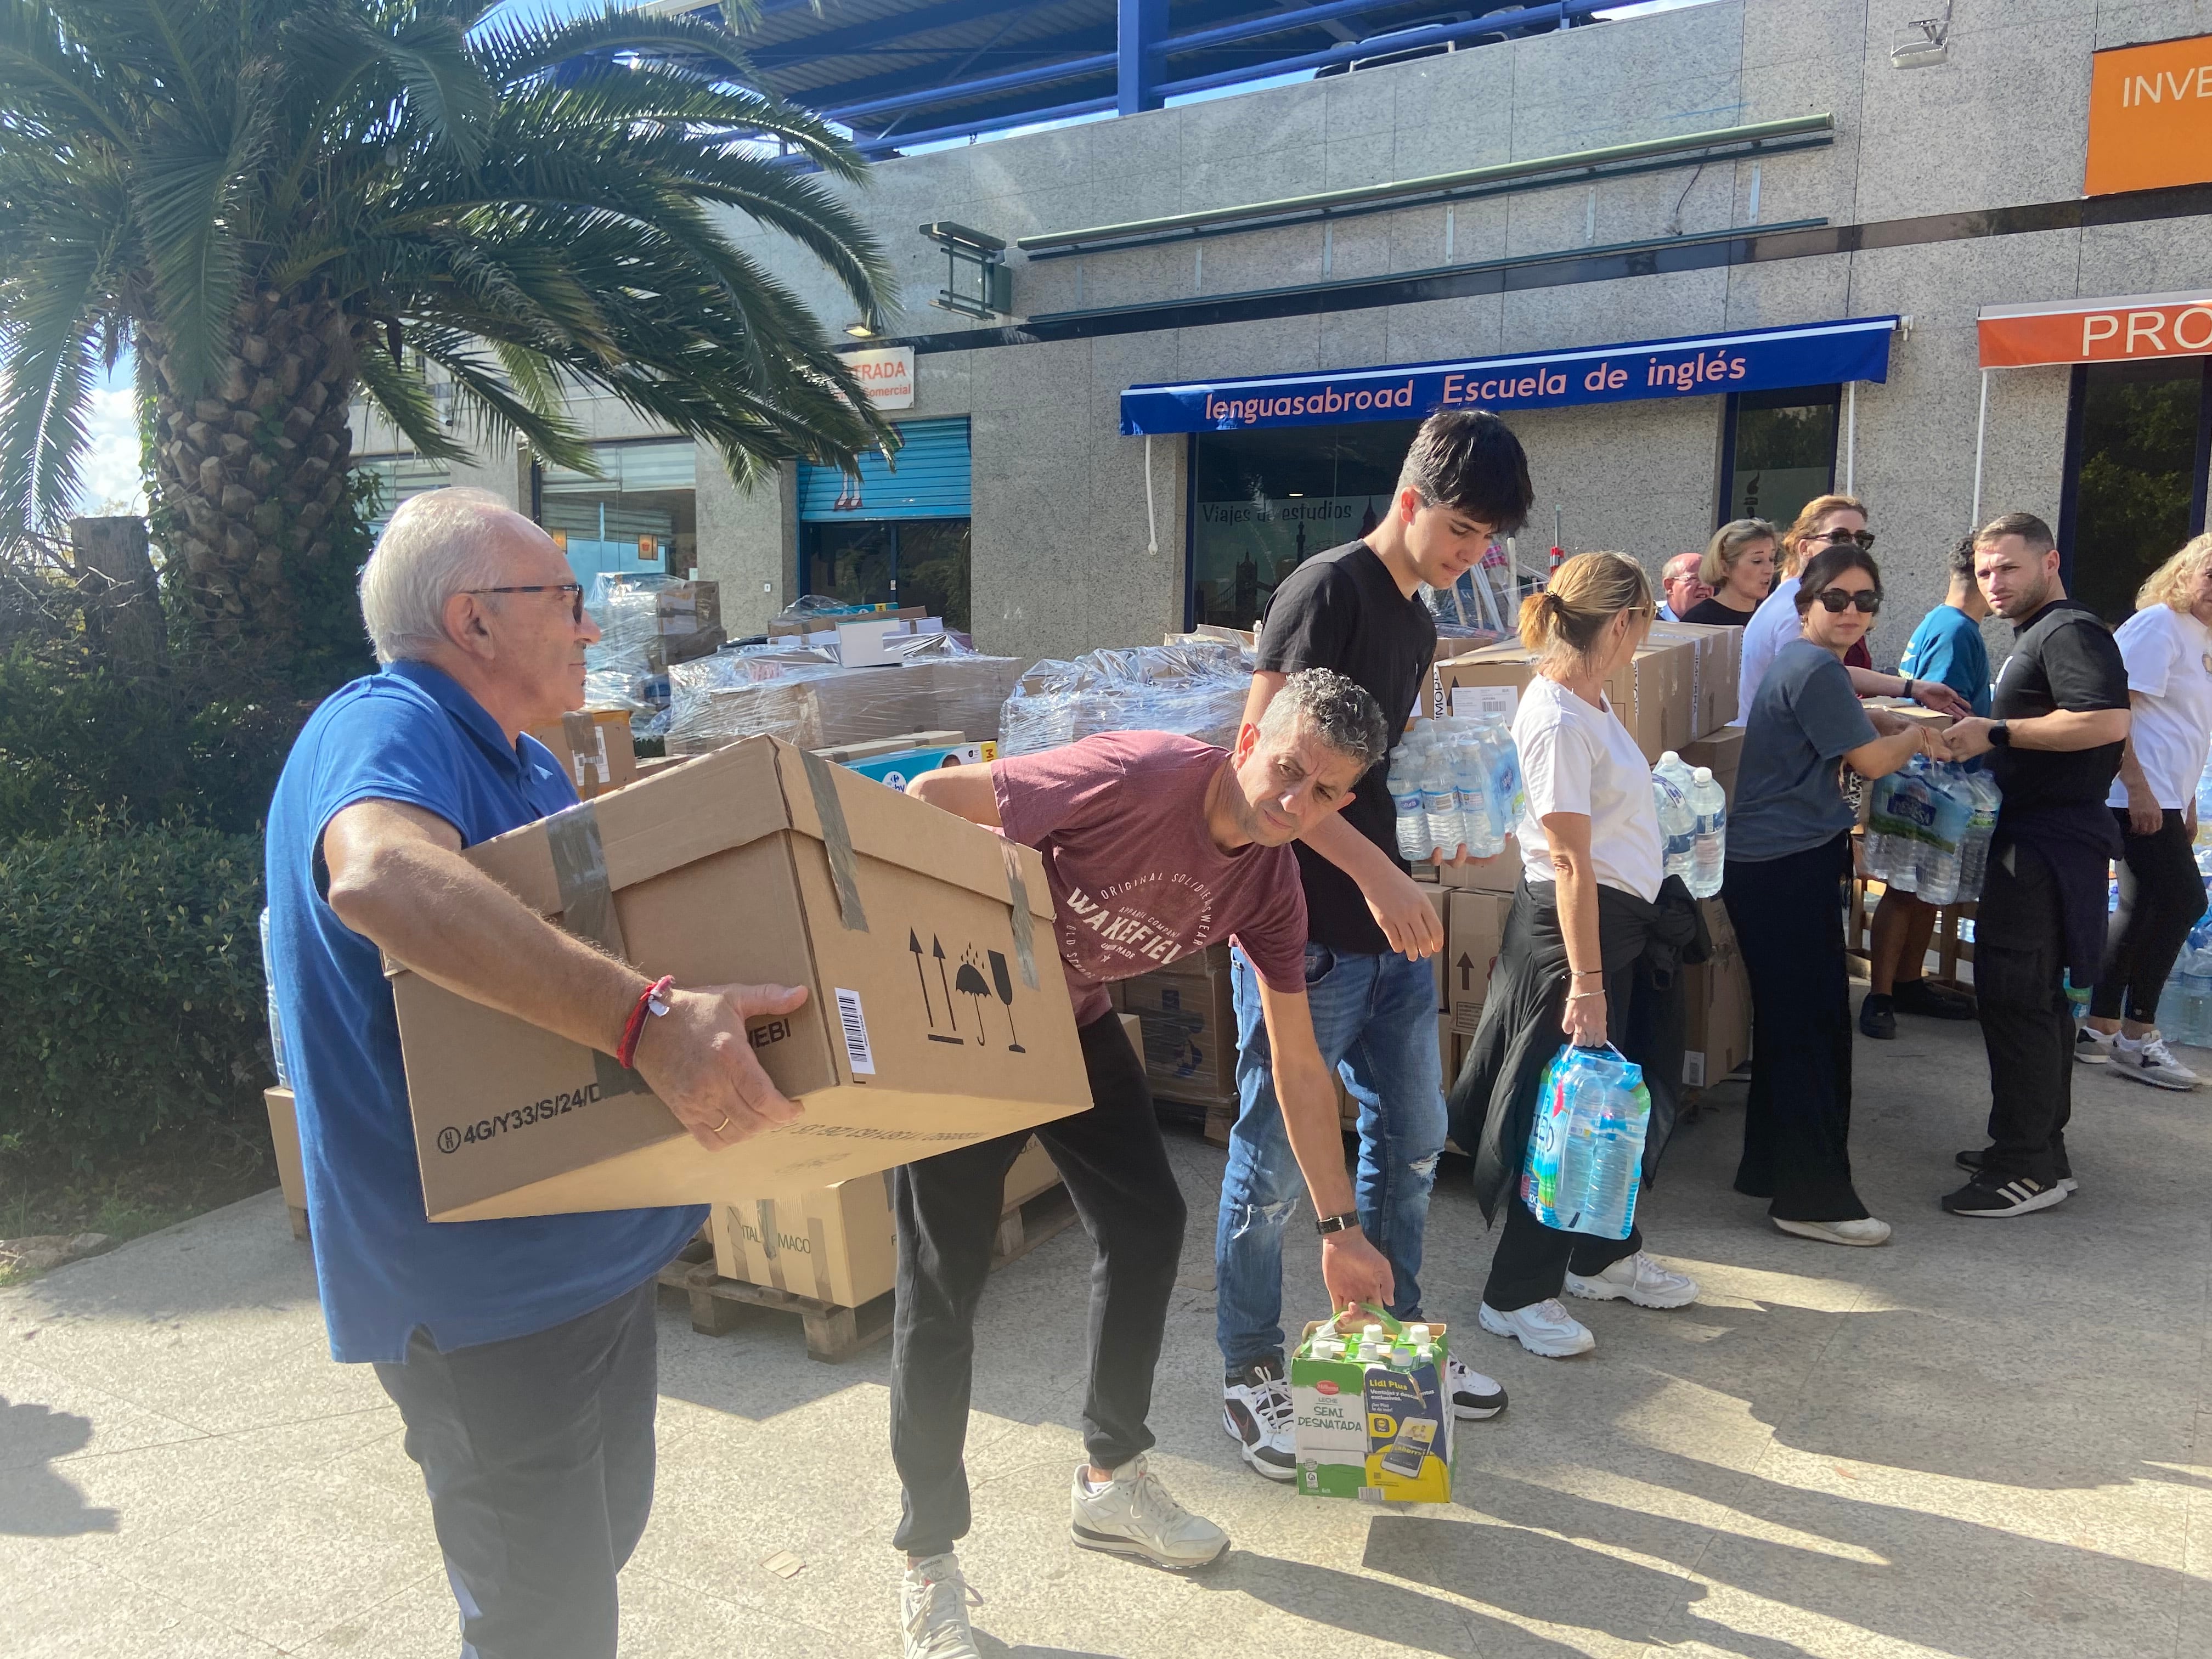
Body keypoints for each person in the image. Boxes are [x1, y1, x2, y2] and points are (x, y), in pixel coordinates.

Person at [264, 490, 810, 1659]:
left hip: (596, 1259)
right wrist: (647, 1022)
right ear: (472, 621)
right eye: (559, 598)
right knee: (541, 1624)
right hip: (482, 1293)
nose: (583, 622)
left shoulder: (529, 764)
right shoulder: (388, 724)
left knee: (588, 1565)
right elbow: (379, 879)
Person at [896, 673, 1398, 1657]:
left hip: (1075, 1028)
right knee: (940, 1283)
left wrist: (1340, 1230)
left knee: (1146, 1223)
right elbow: (931, 797)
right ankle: (926, 1557)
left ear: (1345, 801)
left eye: (1323, 792)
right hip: (976, 1020)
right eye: (1286, 768)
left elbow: (1297, 1061)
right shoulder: (1138, 773)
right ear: (1249, 736)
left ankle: (1108, 1477)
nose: (1292, 801)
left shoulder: (1271, 884)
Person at [1215, 411, 1530, 1481]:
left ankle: (1394, 1347)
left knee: (1408, 1139)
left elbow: (1370, 773)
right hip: (1297, 925)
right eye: (1461, 527)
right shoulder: (1328, 591)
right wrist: (1376, 870)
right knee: (1268, 1155)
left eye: (1487, 539)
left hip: (1391, 927)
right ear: (1411, 497)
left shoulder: (1415, 617)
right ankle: (1250, 1372)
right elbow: (1255, 767)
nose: (1470, 553)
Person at [1447, 552, 1705, 1359]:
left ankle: (1602, 1255)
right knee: (1559, 1112)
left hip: (1616, 929)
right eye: (1647, 620)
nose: (1649, 633)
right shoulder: (1557, 715)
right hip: (1575, 942)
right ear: (1623, 621)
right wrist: (1587, 983)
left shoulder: (1591, 702)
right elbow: (1565, 861)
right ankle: (1516, 1293)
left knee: (1613, 1103)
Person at [1725, 544, 1948, 1246]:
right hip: (1783, 866)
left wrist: (1889, 722)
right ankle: (1812, 1198)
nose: (1853, 612)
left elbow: (1849, 728)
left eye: (1867, 601)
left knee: (1796, 1026)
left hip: (1781, 862)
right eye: (1838, 599)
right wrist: (1917, 733)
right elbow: (1874, 759)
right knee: (1813, 1030)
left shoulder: (1814, 666)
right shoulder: (1815, 667)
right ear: (1805, 606)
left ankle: (1775, 1170)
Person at [1944, 513, 2130, 1216]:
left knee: (2021, 997)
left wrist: (1994, 730)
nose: (1994, 582)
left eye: (2009, 568)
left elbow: (2106, 720)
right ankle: (2035, 1147)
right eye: (1986, 571)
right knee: (2033, 998)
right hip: (2040, 835)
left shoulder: (2069, 630)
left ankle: (2026, 1167)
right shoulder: (2042, 633)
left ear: (2050, 562)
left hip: (2050, 843)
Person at [2079, 532, 2212, 1088]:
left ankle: (2100, 1028)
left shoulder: (2200, 636)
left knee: (2144, 906)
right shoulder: (2159, 625)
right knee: (2185, 899)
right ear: (2186, 571)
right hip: (2133, 795)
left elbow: (2185, 727)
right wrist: (2136, 786)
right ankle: (2138, 1035)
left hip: (2164, 797)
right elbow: (2115, 711)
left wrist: (2183, 801)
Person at [1859, 537, 1994, 1039]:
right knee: (1905, 887)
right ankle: (1882, 995)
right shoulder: (1958, 631)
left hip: (1926, 777)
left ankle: (1909, 981)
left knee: (1928, 889)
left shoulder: (1946, 621)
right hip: (1929, 781)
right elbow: (1940, 719)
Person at [1732, 495, 1970, 725]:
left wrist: (1913, 688)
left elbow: (1830, 672)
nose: (1854, 547)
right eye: (1840, 537)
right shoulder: (1799, 605)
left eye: (1862, 539)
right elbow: (1813, 689)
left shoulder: (1796, 593)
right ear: (1805, 548)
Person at [1682, 518, 1778, 627]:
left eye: (1772, 559)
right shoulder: (1698, 621)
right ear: (1724, 567)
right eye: (1757, 561)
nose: (1769, 570)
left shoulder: (1771, 618)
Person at [1656, 551, 1711, 622]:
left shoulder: (1724, 623)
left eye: (1710, 579)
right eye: (1694, 578)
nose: (1705, 586)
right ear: (1669, 586)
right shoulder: (1647, 624)